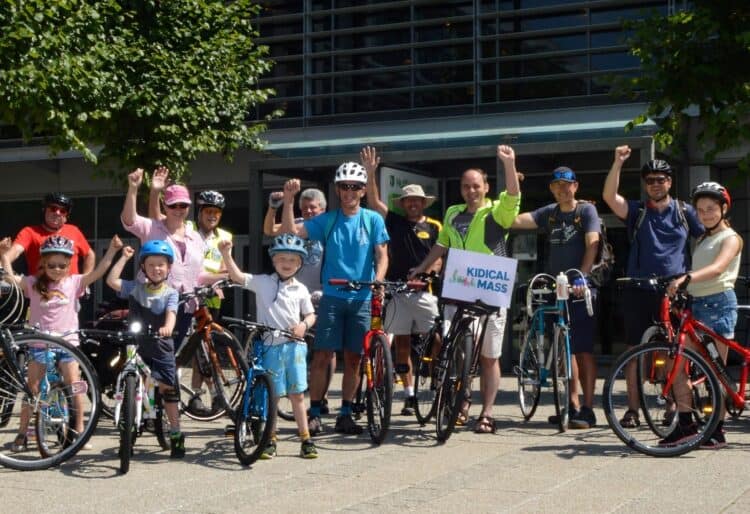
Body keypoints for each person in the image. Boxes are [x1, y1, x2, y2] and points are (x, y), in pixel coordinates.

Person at [410, 144, 521, 434]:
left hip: (490, 293)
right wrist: (423, 266)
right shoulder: (452, 213)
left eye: (476, 186)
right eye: (466, 186)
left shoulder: (496, 212)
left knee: (489, 357)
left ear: (486, 187)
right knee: (459, 349)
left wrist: (509, 164)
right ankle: (462, 401)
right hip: (458, 289)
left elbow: (512, 195)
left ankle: (486, 413)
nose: (471, 191)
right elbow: (442, 244)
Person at [280, 163, 389, 436]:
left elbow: (382, 254)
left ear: (363, 191)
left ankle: (346, 413)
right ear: (338, 190)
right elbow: (293, 232)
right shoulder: (328, 220)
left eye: (355, 187)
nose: (349, 192)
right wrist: (290, 200)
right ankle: (315, 411)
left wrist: (380, 279)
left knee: (354, 359)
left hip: (362, 296)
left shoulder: (373, 219)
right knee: (322, 355)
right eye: (344, 187)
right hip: (332, 295)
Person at [602, 146, 703, 428]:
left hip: (675, 291)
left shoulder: (686, 211)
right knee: (633, 351)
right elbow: (609, 197)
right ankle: (633, 409)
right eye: (650, 180)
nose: (655, 184)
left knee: (676, 350)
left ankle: (675, 403)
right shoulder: (637, 211)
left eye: (661, 179)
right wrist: (618, 163)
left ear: (670, 182)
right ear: (645, 185)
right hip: (639, 289)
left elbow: (706, 238)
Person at [0, 234, 121, 452]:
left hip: (68, 342)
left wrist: (111, 251)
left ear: (69, 265)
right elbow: (10, 279)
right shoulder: (34, 284)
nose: (57, 269)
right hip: (40, 342)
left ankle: (79, 429)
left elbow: (97, 273)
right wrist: (4, 256)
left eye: (62, 265)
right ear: (43, 264)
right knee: (32, 388)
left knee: (74, 384)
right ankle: (22, 432)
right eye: (52, 265)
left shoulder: (74, 282)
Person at [512, 167, 600, 429]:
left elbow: (592, 243)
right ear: (552, 188)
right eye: (557, 185)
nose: (562, 189)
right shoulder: (548, 214)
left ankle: (588, 408)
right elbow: (513, 221)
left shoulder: (585, 211)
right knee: (563, 348)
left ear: (576, 186)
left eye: (567, 184)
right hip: (556, 286)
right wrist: (512, 190)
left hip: (579, 287)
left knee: (583, 349)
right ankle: (570, 405)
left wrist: (581, 278)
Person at [219, 234, 318, 459]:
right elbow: (237, 276)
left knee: (297, 395)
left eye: (293, 260)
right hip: (270, 346)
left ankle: (306, 439)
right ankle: (270, 439)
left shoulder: (301, 289)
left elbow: (311, 314)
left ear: (300, 263)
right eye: (282, 258)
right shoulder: (263, 282)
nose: (287, 263)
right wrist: (227, 254)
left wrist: (304, 325)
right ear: (273, 260)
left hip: (295, 347)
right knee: (271, 396)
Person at [361, 146, 442, 416]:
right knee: (403, 344)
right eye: (408, 200)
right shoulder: (394, 222)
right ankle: (409, 396)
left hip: (424, 291)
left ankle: (437, 380)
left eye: (417, 200)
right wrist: (371, 173)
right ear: (403, 204)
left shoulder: (434, 226)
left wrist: (430, 271)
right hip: (397, 291)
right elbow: (374, 203)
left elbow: (440, 255)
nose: (412, 204)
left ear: (423, 202)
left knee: (439, 337)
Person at [660, 182, 741, 449]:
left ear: (724, 209)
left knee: (716, 371)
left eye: (711, 209)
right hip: (698, 304)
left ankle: (716, 431)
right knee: (676, 363)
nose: (705, 214)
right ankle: (686, 424)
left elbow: (718, 269)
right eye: (700, 210)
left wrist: (687, 278)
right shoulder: (703, 238)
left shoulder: (730, 238)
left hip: (719, 305)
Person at [121, 167, 216, 353]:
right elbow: (129, 220)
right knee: (150, 356)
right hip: (151, 302)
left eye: (183, 205)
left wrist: (227, 275)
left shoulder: (196, 236)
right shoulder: (152, 228)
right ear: (165, 206)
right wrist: (133, 188)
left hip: (184, 306)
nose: (178, 210)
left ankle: (162, 382)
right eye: (173, 205)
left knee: (170, 356)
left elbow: (198, 274)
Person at [106, 240, 187, 458]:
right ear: (143, 267)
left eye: (161, 264)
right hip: (138, 344)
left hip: (161, 346)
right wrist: (123, 257)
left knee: (167, 390)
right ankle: (130, 423)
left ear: (169, 267)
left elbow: (171, 314)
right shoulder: (136, 289)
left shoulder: (171, 293)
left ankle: (176, 433)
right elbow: (112, 281)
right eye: (151, 265)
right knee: (130, 383)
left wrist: (168, 328)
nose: (156, 269)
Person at [264, 186, 335, 414]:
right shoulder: (296, 223)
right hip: (295, 293)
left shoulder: (328, 226)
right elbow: (269, 230)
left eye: (313, 208)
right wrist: (274, 207)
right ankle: (295, 390)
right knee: (295, 343)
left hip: (322, 292)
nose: (308, 211)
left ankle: (321, 396)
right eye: (305, 208)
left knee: (326, 350)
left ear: (323, 209)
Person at [6, 193, 95, 275]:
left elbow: (89, 254)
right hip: (40, 289)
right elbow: (15, 251)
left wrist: (84, 280)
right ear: (44, 210)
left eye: (63, 211)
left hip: (71, 290)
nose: (57, 213)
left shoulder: (74, 230)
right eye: (53, 208)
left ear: (66, 216)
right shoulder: (29, 232)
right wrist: (2, 264)